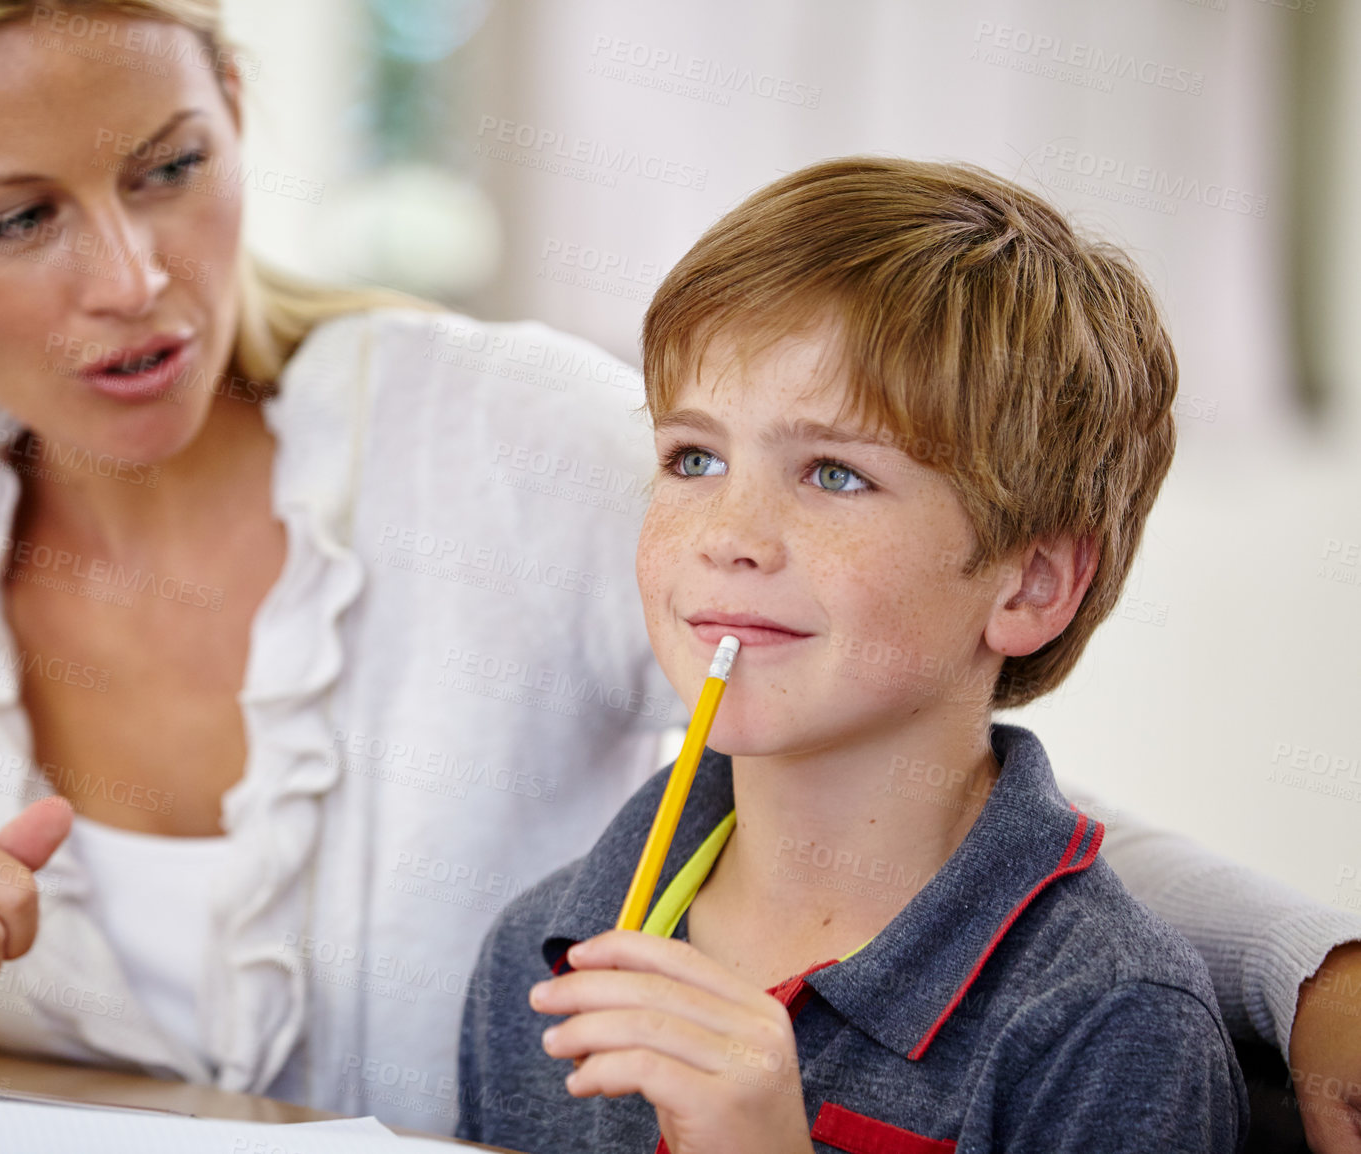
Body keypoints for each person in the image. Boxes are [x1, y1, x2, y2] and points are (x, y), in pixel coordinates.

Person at [0, 2, 1354, 1145]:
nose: (139, 276)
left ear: (235, 112)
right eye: (20, 220)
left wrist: (1306, 963)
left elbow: (909, 729)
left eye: (171, 167)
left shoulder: (502, 434)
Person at [456, 159, 1247, 1153]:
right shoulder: (537, 958)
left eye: (833, 473)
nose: (729, 533)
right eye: (693, 458)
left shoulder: (1108, 1019)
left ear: (1028, 584)